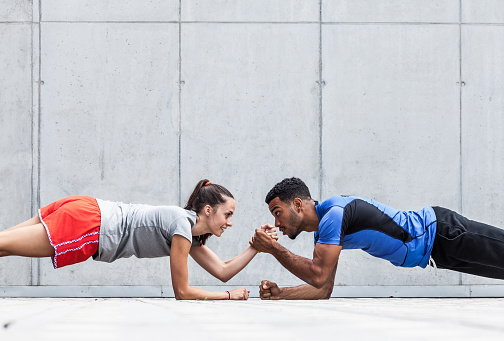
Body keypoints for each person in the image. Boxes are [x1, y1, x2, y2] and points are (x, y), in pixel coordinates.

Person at [0, 179, 276, 300]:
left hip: (87, 210)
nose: (230, 222)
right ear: (207, 210)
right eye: (227, 215)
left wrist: (255, 247)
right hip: (89, 225)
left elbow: (223, 271)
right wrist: (227, 296)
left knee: (3, 246)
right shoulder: (182, 225)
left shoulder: (188, 232)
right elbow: (183, 292)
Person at [250, 177, 504, 300]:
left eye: (277, 213)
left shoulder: (334, 214)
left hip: (443, 233)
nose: (276, 223)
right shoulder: (325, 232)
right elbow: (323, 288)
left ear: (297, 204)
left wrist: (273, 249)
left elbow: (316, 275)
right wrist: (282, 293)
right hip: (438, 254)